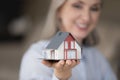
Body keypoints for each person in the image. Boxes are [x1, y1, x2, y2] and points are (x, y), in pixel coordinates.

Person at [19, 0, 117, 80]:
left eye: (94, 8)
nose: (86, 18)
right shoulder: (36, 54)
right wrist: (61, 77)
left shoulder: (97, 57)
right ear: (59, 10)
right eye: (77, 6)